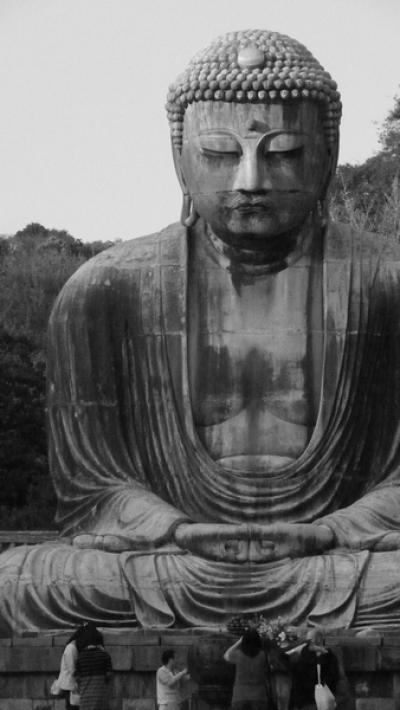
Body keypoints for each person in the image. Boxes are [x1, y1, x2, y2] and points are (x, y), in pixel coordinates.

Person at [2, 28, 400, 631]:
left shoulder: (386, 281)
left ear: (328, 157)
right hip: (176, 559)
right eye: (220, 153)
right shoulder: (107, 289)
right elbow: (95, 492)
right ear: (180, 158)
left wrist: (329, 530)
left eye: (284, 152)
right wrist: (180, 529)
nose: (250, 180)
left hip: (335, 556)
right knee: (25, 581)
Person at [290, 629, 339, 710]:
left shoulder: (329, 656)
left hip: (323, 691)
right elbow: (297, 675)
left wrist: (323, 686)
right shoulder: (303, 655)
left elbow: (334, 676)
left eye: (313, 639)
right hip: (305, 693)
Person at [224, 630, 269, 710]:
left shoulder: (238, 655)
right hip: (259, 696)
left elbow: (226, 655)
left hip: (240, 695)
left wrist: (239, 642)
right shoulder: (262, 655)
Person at [75, 624, 113, 710]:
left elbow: (77, 678)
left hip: (85, 699)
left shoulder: (80, 657)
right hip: (101, 698)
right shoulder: (104, 655)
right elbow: (109, 675)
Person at [52, 624, 88, 710]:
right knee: (72, 706)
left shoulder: (72, 647)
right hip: (70, 684)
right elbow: (72, 669)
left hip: (70, 683)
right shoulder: (71, 648)